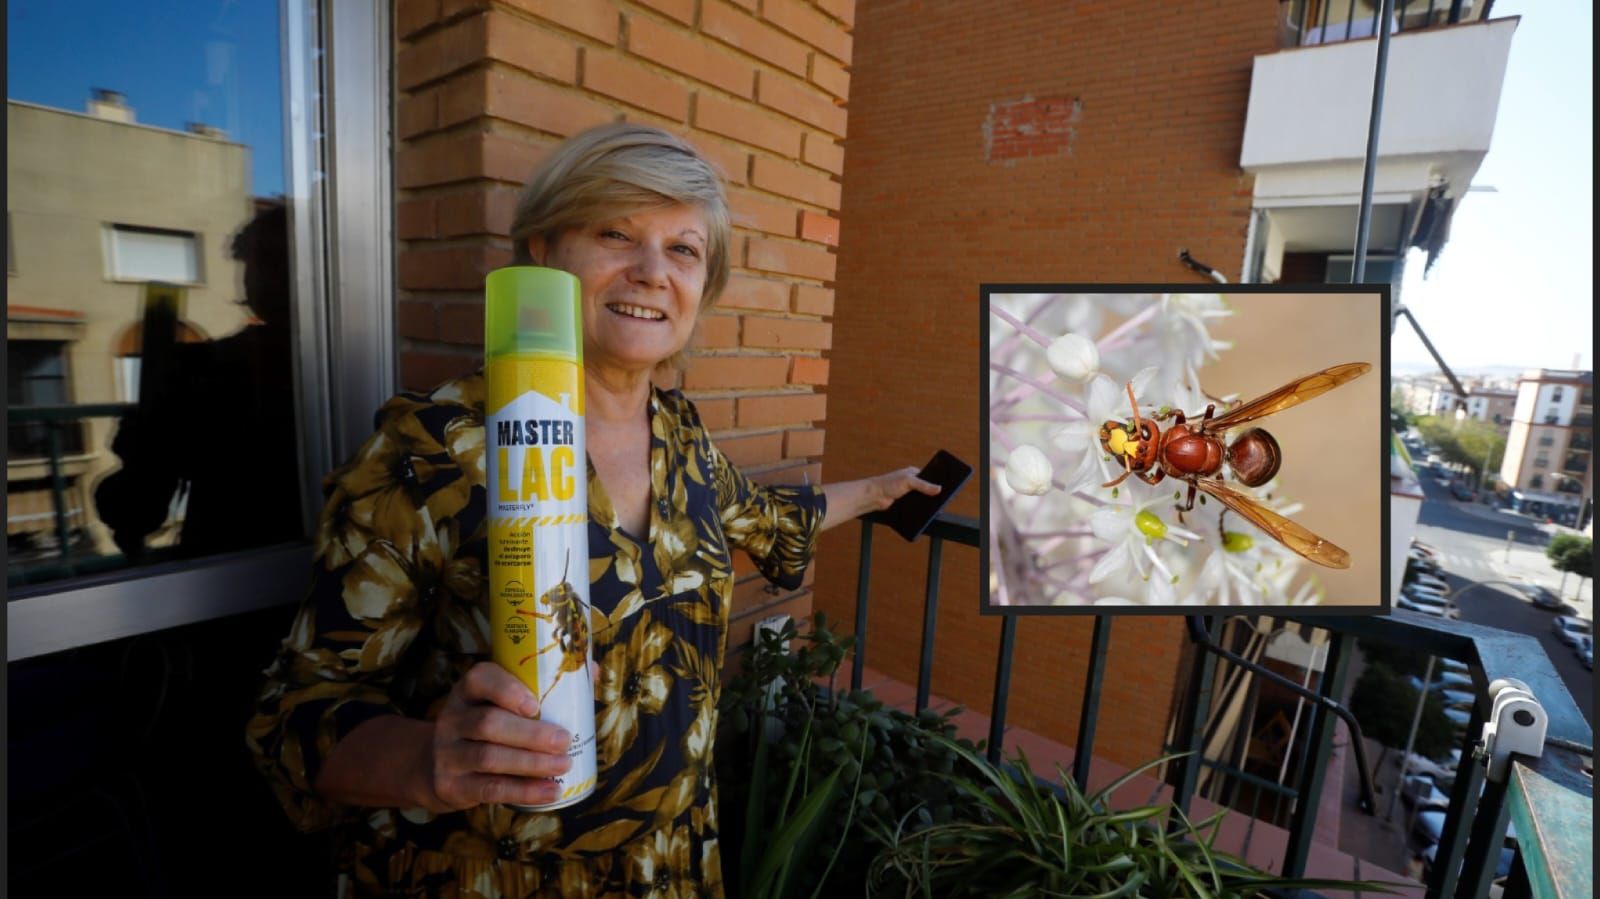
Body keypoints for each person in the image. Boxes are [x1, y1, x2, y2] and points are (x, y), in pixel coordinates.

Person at [247, 122, 938, 897]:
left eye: (683, 249)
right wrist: (426, 761)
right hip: (490, 877)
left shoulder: (682, 437)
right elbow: (294, 714)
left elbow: (764, 517)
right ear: (543, 250)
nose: (651, 271)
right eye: (617, 233)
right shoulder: (435, 449)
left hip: (673, 865)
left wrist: (880, 491)